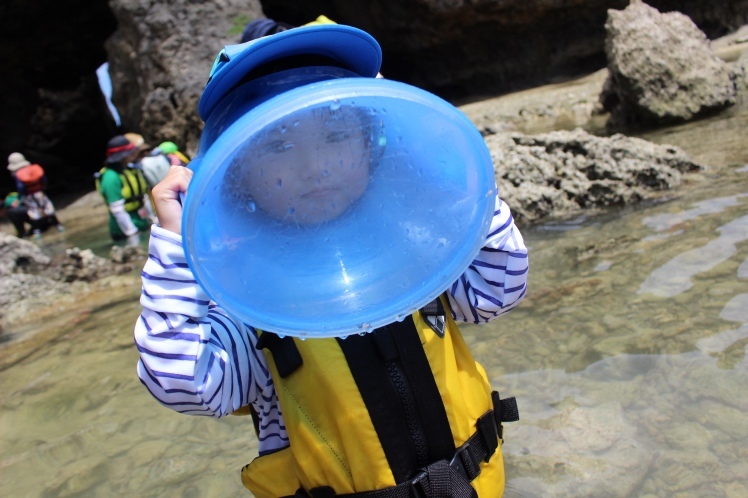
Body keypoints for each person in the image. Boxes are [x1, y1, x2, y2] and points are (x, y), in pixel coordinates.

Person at [134, 24, 529, 497]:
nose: (314, 167)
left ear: (372, 143)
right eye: (278, 145)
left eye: (337, 134)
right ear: (235, 171)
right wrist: (176, 244)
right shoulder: (244, 300)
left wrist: (437, 165)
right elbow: (185, 382)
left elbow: (497, 291)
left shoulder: (416, 242)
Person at [95, 135, 157, 246]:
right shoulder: (110, 176)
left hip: (142, 222)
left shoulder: (131, 170)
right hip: (125, 231)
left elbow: (144, 197)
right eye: (131, 152)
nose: (134, 154)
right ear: (122, 156)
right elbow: (117, 209)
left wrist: (152, 218)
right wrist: (132, 233)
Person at [6, 152, 64, 239]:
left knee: (33, 213)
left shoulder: (18, 175)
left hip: (30, 196)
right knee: (48, 207)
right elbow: (44, 179)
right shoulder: (34, 169)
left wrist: (19, 198)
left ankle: (37, 232)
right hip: (40, 193)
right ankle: (58, 225)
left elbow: (21, 187)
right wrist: (43, 187)